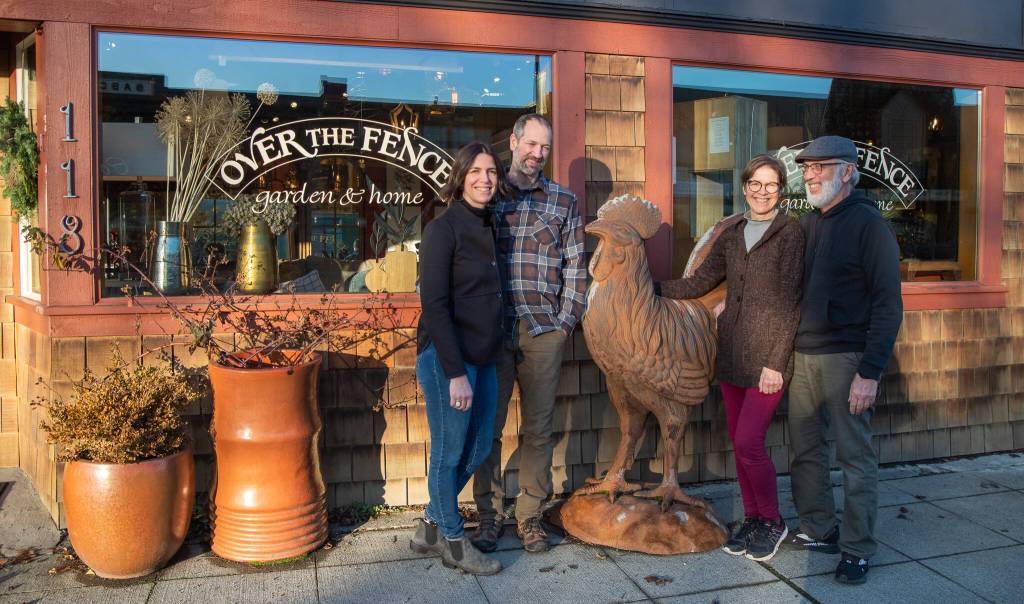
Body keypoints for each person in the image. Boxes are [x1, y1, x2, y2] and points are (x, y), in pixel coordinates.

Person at [657, 155, 804, 562]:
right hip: (733, 352)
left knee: (749, 442)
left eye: (770, 185)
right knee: (740, 445)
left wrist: (776, 363)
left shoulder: (789, 233)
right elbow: (702, 280)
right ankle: (754, 518)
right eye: (755, 184)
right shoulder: (734, 231)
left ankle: (773, 520)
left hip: (767, 358)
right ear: (744, 188)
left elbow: (791, 303)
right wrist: (651, 288)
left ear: (780, 190)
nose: (762, 191)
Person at [787, 136, 903, 585]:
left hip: (846, 359)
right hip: (803, 354)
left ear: (848, 172)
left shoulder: (869, 225)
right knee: (804, 451)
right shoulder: (809, 223)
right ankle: (819, 527)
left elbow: (888, 305)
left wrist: (869, 372)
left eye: (820, 167)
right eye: (807, 168)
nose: (810, 174)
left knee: (855, 458)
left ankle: (857, 548)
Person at [471, 113, 586, 554]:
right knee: (489, 428)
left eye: (545, 148)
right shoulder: (487, 195)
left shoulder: (563, 201)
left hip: (543, 332)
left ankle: (530, 516)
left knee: (538, 430)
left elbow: (576, 266)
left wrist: (565, 324)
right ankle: (488, 515)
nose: (537, 154)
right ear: (514, 142)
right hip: (492, 332)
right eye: (531, 144)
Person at [409, 141, 511, 575]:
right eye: (476, 171)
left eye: (491, 172)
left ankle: (431, 522)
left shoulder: (490, 223)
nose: (485, 179)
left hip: (484, 356)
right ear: (461, 176)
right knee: (450, 452)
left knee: (480, 445)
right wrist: (455, 374)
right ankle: (452, 542)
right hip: (448, 359)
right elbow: (433, 304)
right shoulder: (442, 228)